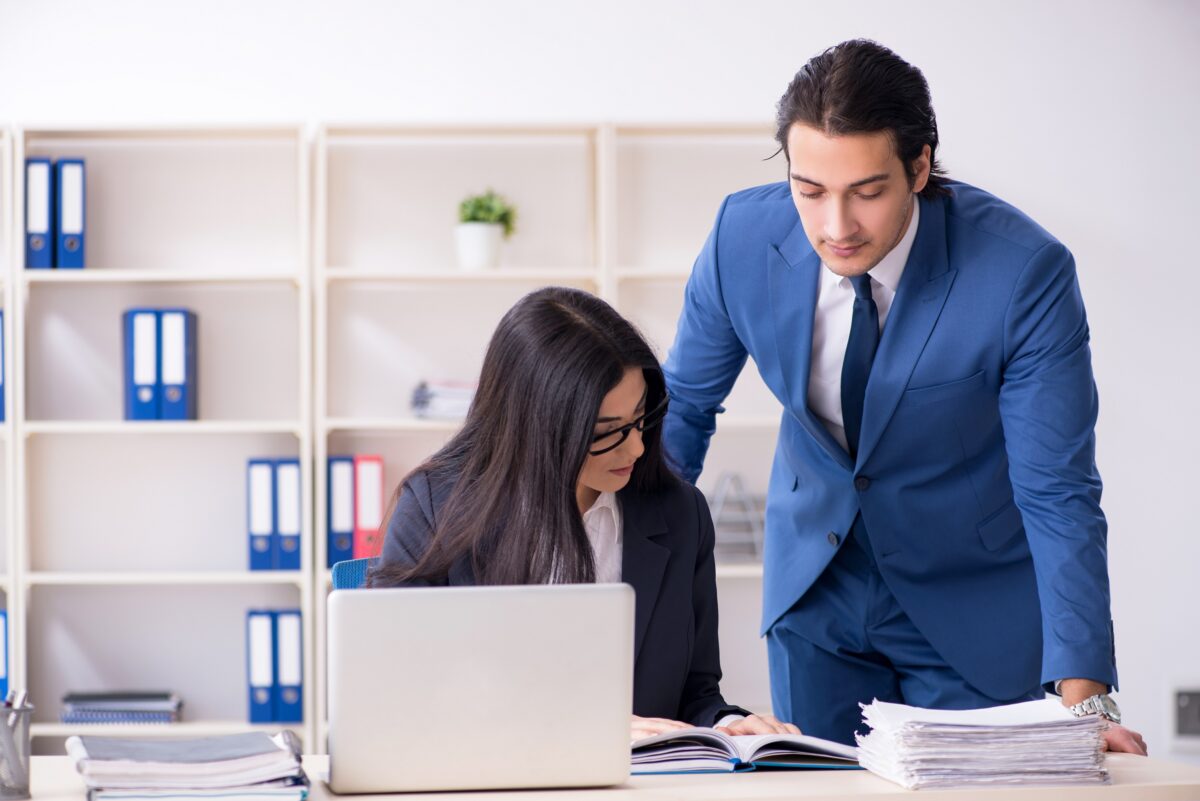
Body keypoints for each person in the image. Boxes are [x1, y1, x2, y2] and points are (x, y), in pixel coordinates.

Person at [661, 39, 1146, 753]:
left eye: (867, 191)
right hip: (814, 593)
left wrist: (1085, 705)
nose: (836, 226)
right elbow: (683, 414)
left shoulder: (1022, 273)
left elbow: (1057, 489)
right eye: (810, 191)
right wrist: (620, 598)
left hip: (970, 604)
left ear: (919, 166)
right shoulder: (741, 237)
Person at [368, 286, 798, 742]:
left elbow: (696, 692)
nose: (635, 447)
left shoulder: (681, 514)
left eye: (640, 418)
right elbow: (399, 689)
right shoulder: (435, 507)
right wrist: (583, 726)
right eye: (608, 432)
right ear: (538, 426)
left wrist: (729, 724)